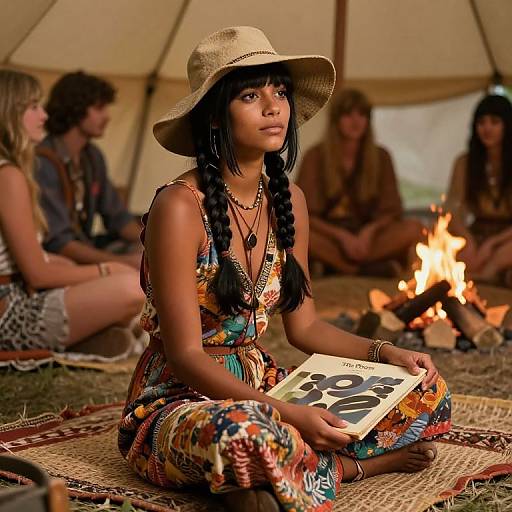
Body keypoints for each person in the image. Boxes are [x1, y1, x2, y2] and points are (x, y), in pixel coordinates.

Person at [118, 27, 451, 512]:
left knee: (426, 392)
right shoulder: (178, 207)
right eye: (251, 95)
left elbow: (306, 326)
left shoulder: (288, 200)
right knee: (247, 434)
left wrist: (386, 351)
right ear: (215, 116)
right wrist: (288, 414)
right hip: (182, 401)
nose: (273, 106)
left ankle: (270, 474)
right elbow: (187, 355)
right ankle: (344, 468)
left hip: (266, 385)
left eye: (279, 91)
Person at [0, 69, 144, 354]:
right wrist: (108, 268)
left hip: (22, 289)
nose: (43, 115)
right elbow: (38, 273)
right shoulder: (11, 174)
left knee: (131, 280)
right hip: (10, 309)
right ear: (10, 112)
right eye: (33, 107)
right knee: (132, 287)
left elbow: (117, 218)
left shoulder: (91, 157)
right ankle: (94, 335)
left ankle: (94, 338)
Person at [296, 89, 423, 277]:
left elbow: (391, 210)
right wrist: (341, 237)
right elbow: (304, 212)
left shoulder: (381, 156)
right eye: (348, 114)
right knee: (292, 233)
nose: (356, 121)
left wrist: (368, 233)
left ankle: (336, 267)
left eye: (362, 115)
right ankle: (358, 269)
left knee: (414, 228)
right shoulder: (316, 156)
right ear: (336, 120)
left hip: (368, 240)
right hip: (330, 237)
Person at [35, 71, 142, 269]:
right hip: (56, 261)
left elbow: (118, 217)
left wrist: (151, 245)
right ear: (75, 108)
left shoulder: (92, 157)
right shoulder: (43, 162)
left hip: (86, 246)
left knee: (143, 251)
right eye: (99, 108)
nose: (107, 116)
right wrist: (122, 263)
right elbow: (59, 243)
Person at [447, 94, 512, 285]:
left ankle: (489, 275)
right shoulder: (464, 162)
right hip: (476, 233)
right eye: (481, 122)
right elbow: (452, 208)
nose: (487, 128)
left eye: (494, 122)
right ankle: (495, 275)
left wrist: (493, 244)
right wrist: (467, 239)